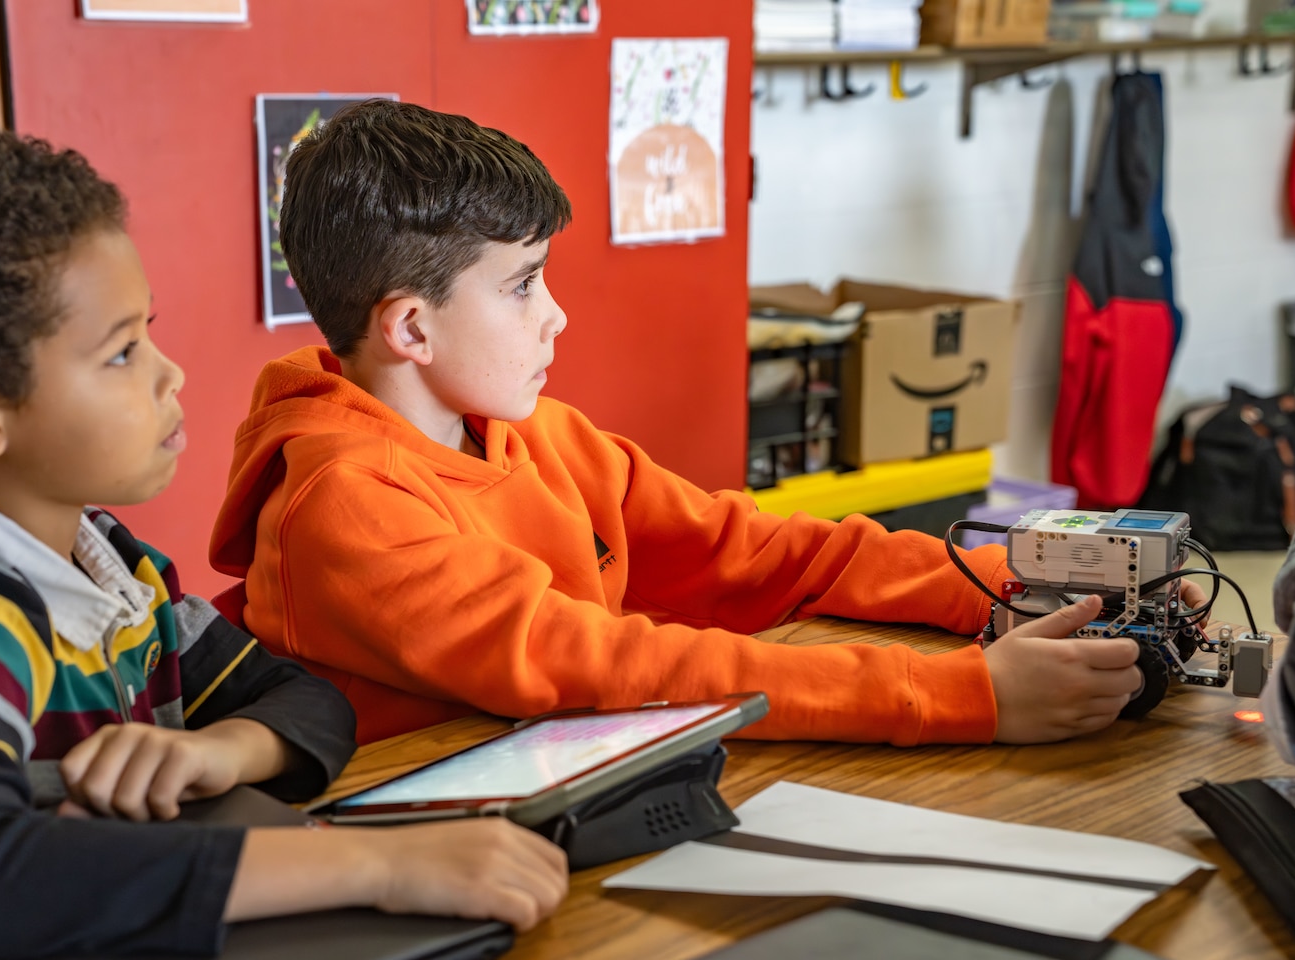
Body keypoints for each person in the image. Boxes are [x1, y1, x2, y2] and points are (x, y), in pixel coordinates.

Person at [0, 130, 566, 960]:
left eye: (148, 334)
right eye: (121, 352)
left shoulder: (118, 573)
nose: (171, 374)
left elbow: (310, 706)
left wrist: (213, 749)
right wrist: (371, 864)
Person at [211, 99, 1207, 747]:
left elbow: (766, 552)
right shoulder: (345, 501)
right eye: (522, 286)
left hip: (563, 793)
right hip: (420, 844)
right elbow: (608, 665)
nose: (557, 314)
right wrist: (962, 697)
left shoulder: (537, 433)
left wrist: (1015, 588)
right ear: (411, 327)